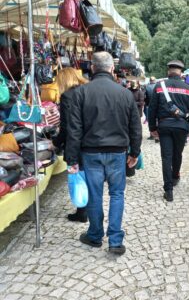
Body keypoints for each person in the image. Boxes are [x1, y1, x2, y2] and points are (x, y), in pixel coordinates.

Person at [65, 52, 142, 256]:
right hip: (117, 152)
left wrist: (71, 159)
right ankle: (115, 240)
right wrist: (135, 151)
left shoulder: (81, 93)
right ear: (111, 69)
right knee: (117, 194)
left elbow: (74, 130)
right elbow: (135, 126)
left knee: (95, 195)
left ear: (92, 68)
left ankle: (95, 235)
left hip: (91, 153)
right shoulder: (125, 93)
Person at [148, 60, 189, 202]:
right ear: (181, 73)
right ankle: (175, 176)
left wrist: (152, 128)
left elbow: (152, 109)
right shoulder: (188, 88)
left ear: (168, 71)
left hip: (164, 126)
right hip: (181, 127)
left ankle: (168, 190)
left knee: (166, 157)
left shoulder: (159, 86)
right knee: (178, 154)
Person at [52, 68, 88, 223]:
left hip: (75, 145)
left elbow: (67, 127)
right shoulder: (86, 91)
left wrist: (55, 143)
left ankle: (81, 210)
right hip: (90, 143)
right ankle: (84, 210)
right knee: (86, 177)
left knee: (77, 177)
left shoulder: (67, 96)